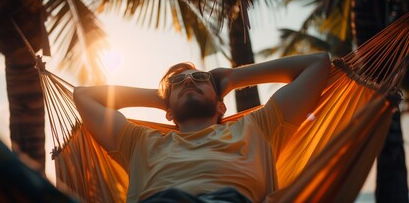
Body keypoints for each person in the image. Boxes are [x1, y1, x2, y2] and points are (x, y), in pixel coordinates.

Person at [73, 52, 330, 202]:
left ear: (222, 106)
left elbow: (318, 63)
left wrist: (232, 77)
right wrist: (162, 96)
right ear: (169, 112)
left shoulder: (257, 128)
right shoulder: (139, 141)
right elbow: (83, 95)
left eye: (199, 78)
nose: (188, 82)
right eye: (178, 81)